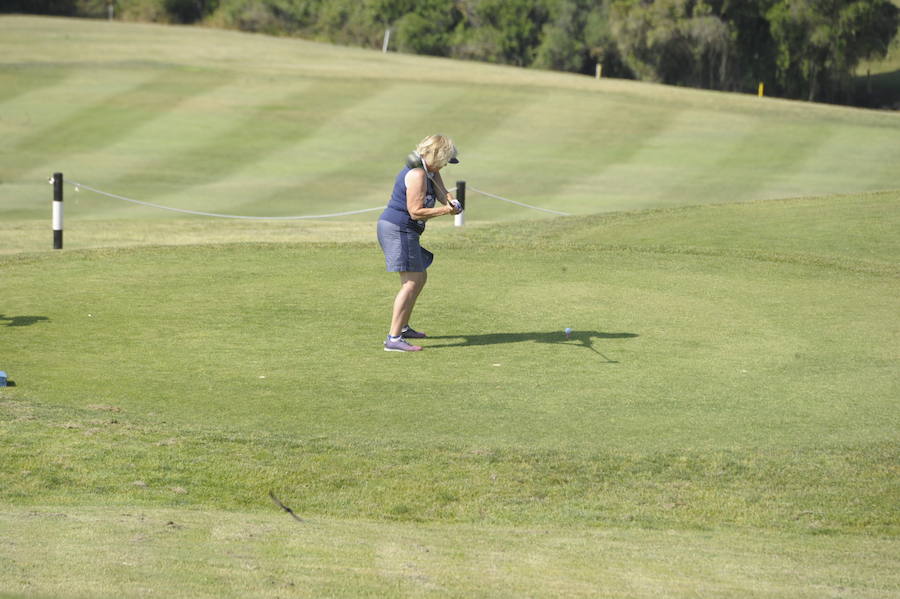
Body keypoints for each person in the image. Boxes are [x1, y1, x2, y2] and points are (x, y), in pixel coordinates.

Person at [377, 134, 462, 352]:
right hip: (399, 228)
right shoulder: (417, 174)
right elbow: (415, 212)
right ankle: (393, 339)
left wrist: (452, 201)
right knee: (411, 282)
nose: (445, 165)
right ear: (436, 155)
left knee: (419, 276)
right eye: (444, 160)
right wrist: (446, 210)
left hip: (405, 229)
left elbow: (443, 193)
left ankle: (403, 328)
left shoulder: (431, 171)